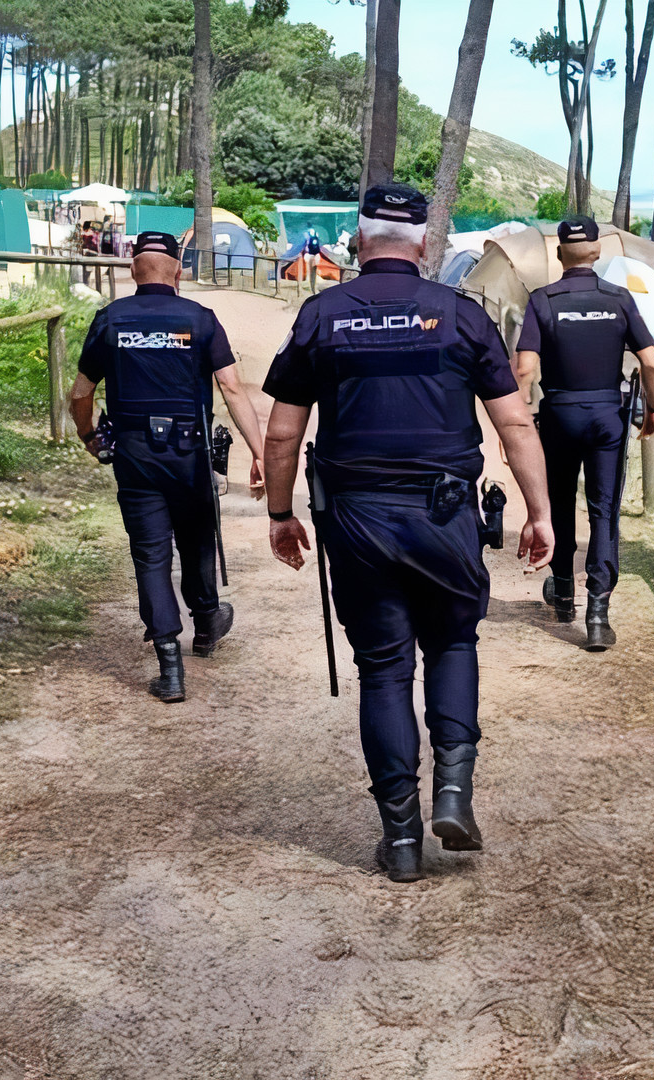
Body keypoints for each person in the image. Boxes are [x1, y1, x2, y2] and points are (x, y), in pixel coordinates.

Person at [260, 183, 553, 884]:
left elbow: (281, 433)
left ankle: (398, 840)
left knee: (384, 668)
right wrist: (539, 510)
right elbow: (514, 424)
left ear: (358, 241)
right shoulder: (461, 316)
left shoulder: (321, 314)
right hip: (445, 514)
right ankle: (453, 790)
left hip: (356, 519)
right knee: (452, 641)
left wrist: (279, 514)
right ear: (424, 243)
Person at [69, 231, 267, 703]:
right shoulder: (200, 320)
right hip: (190, 453)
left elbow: (81, 393)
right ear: (179, 271)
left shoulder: (110, 319)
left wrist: (88, 437)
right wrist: (260, 452)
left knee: (151, 554)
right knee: (197, 536)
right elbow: (233, 389)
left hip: (134, 455)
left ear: (133, 270)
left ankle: (169, 666)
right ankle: (206, 623)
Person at [514, 217, 654, 651]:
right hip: (606, 417)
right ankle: (597, 612)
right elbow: (651, 364)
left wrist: (520, 422)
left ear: (560, 254)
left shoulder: (542, 300)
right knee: (604, 511)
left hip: (559, 413)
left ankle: (563, 589)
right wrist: (652, 410)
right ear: (598, 251)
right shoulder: (618, 299)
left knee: (558, 501)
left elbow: (524, 369)